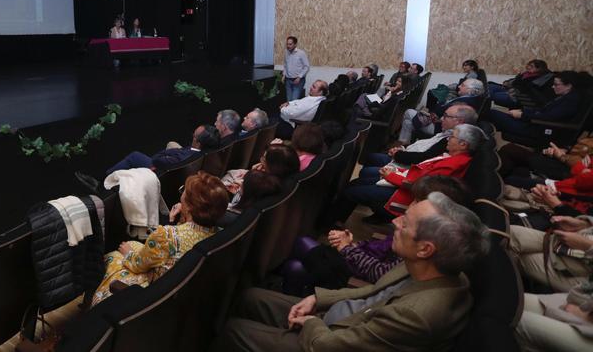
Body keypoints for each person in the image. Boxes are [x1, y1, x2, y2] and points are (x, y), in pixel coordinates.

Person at [213, 192, 489, 351]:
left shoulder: (418, 314)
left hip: (327, 339)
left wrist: (310, 322)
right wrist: (317, 300)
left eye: (406, 224)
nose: (395, 222)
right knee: (249, 297)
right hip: (338, 317)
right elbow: (372, 291)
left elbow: (330, 347)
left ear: (425, 249)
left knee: (233, 329)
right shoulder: (427, 267)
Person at [282, 176, 471, 295]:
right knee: (301, 251)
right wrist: (352, 244)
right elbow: (382, 251)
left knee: (297, 261)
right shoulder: (421, 231)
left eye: (417, 201)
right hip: (357, 258)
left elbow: (380, 275)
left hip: (354, 275)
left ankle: (292, 295)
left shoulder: (422, 240)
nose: (410, 205)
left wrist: (347, 248)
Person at [91, 171, 229, 306]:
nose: (181, 196)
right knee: (133, 243)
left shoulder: (166, 236)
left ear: (191, 206)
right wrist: (178, 219)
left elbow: (138, 265)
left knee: (113, 256)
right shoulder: (221, 234)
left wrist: (128, 254)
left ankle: (91, 304)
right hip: (183, 294)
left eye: (183, 192)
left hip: (152, 294)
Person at [337, 123, 484, 223]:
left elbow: (423, 187)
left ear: (463, 144)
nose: (449, 138)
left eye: (453, 136)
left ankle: (330, 227)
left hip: (406, 197)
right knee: (356, 183)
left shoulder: (454, 164)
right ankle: (337, 220)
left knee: (351, 192)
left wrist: (391, 175)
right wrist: (396, 171)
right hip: (404, 184)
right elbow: (421, 171)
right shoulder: (454, 157)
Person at [488, 71, 584, 143]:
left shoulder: (570, 101)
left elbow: (548, 117)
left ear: (568, 86)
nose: (552, 87)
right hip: (533, 122)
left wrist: (522, 115)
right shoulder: (565, 97)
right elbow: (544, 111)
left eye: (556, 85)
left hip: (537, 129)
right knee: (492, 113)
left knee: (491, 113)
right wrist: (522, 111)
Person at [104, 124, 220, 176]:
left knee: (135, 156)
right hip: (177, 157)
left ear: (198, 142)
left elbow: (157, 161)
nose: (192, 136)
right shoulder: (204, 152)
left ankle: (108, 176)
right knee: (171, 144)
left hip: (159, 171)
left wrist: (166, 154)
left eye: (194, 136)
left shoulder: (186, 157)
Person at [397, 78, 485, 144]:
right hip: (438, 122)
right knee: (407, 122)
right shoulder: (469, 98)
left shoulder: (465, 102)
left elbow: (442, 113)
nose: (459, 87)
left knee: (408, 112)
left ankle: (403, 143)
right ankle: (404, 144)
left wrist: (437, 109)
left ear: (470, 90)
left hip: (439, 127)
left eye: (462, 85)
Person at [515, 281, 593, 352]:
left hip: (587, 326)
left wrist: (582, 312)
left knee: (518, 322)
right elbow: (574, 297)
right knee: (515, 302)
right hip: (584, 301)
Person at [283, 36, 310, 101]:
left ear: (295, 44)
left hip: (298, 81)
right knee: (289, 101)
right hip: (288, 80)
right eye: (287, 44)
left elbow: (306, 66)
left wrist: (299, 77)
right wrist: (284, 74)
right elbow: (285, 65)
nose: (288, 46)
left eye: (290, 44)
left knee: (294, 100)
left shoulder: (301, 53)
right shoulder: (286, 52)